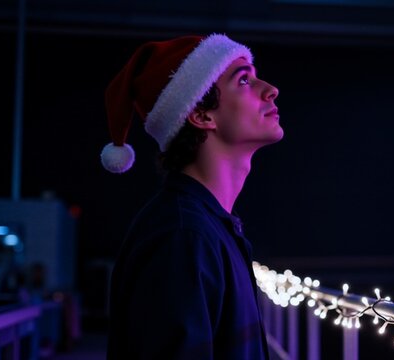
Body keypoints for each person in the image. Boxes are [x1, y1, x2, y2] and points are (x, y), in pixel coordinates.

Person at [102, 34, 281, 360]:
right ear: (200, 114)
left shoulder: (206, 226)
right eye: (244, 79)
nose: (270, 89)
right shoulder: (184, 235)